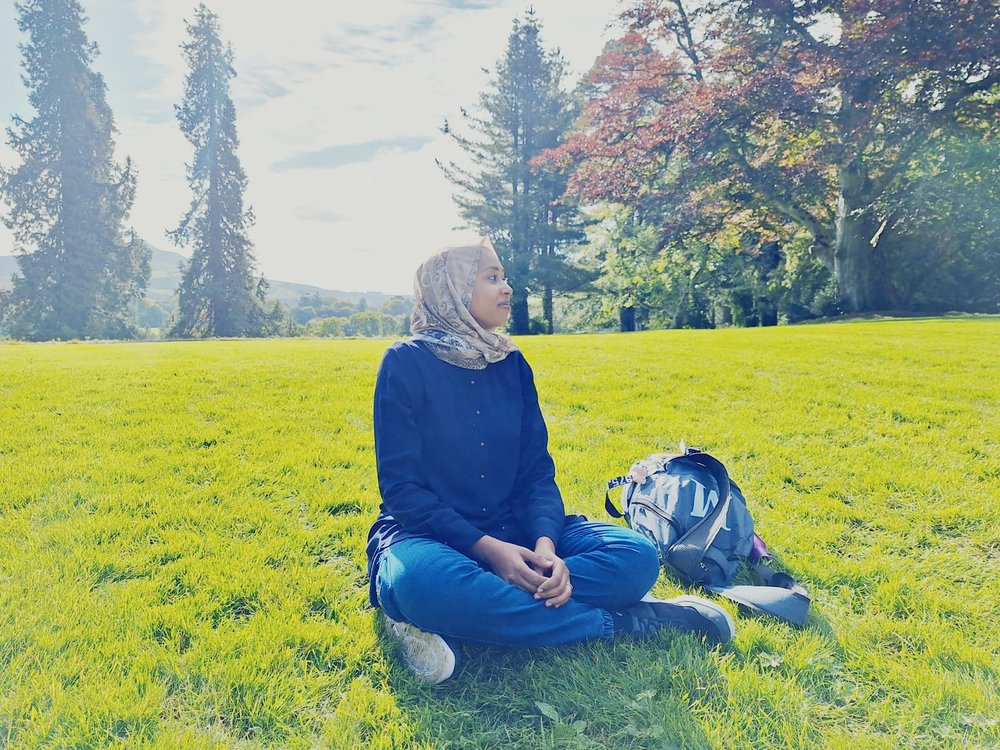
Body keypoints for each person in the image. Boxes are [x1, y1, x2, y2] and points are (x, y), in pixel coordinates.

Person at [365, 238, 734, 683]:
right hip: (429, 537)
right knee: (422, 583)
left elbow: (536, 472)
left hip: (517, 527)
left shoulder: (510, 363)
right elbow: (402, 491)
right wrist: (490, 551)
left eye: (504, 277)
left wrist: (545, 547)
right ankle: (623, 623)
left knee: (635, 556)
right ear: (453, 289)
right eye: (492, 277)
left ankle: (466, 612)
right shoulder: (405, 363)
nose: (508, 288)